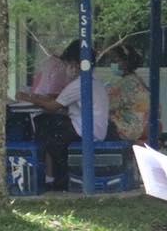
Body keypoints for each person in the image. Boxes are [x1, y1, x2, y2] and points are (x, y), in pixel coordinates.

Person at [17, 40, 110, 191]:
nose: (67, 68)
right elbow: (62, 101)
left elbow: (52, 106)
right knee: (51, 124)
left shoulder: (79, 83)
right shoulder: (93, 82)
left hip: (84, 131)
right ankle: (54, 174)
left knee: (43, 124)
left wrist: (28, 98)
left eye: (68, 64)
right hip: (95, 130)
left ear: (76, 64)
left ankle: (50, 175)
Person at [104, 44, 150, 143]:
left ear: (126, 62)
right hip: (140, 125)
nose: (111, 64)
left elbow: (106, 106)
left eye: (115, 61)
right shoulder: (137, 80)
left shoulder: (125, 84)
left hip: (128, 128)